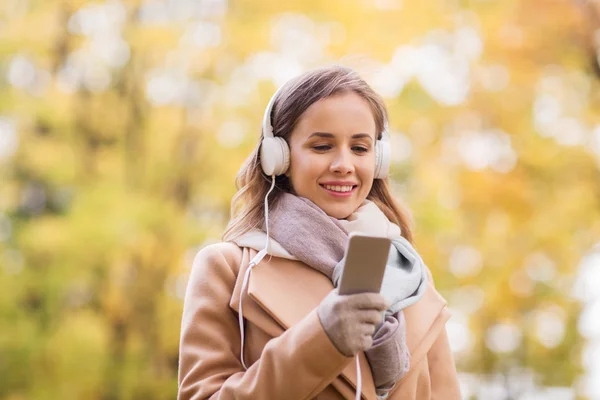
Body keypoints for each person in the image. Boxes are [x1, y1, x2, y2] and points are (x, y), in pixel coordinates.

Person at [177, 65, 461, 400]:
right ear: (279, 158)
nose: (344, 164)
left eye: (359, 148)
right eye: (322, 146)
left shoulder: (412, 276)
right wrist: (322, 338)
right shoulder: (228, 268)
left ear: (378, 159)